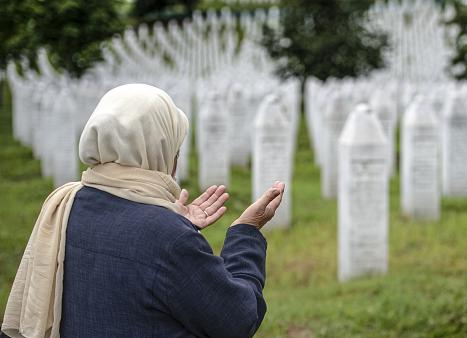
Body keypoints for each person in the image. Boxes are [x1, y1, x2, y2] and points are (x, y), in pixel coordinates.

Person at [1, 84, 284, 338]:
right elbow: (236, 320)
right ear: (158, 149)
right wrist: (245, 233)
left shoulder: (68, 202)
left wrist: (170, 224)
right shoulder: (166, 236)